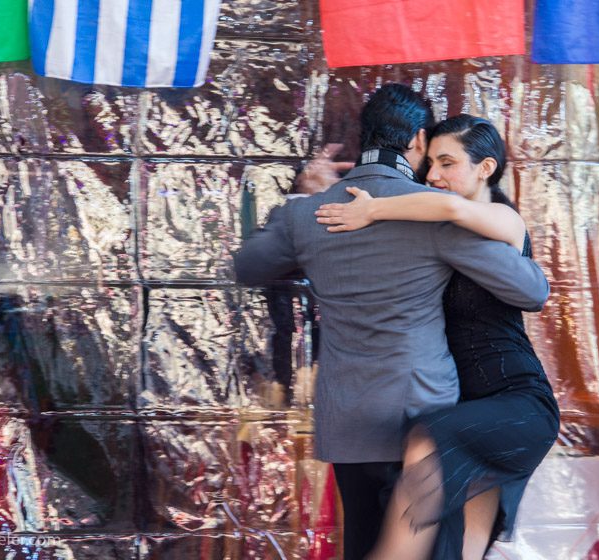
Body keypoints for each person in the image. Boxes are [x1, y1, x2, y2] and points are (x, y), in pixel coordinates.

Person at [233, 85, 550, 560]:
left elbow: (248, 266)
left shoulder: (306, 214)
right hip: (420, 414)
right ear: (418, 141)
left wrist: (304, 196)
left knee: (364, 544)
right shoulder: (429, 212)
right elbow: (530, 291)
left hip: (346, 417)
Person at [314, 114, 560, 559]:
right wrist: (321, 194)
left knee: (429, 436)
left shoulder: (503, 218)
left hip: (516, 402)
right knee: (458, 550)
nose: (432, 176)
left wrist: (373, 207)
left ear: (485, 168)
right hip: (463, 409)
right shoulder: (428, 233)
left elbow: (452, 208)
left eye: (447, 163)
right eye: (429, 163)